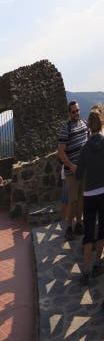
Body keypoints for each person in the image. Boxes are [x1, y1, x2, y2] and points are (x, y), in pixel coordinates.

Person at [75, 110, 104, 284]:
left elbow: (78, 175)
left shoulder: (85, 148)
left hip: (89, 195)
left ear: (89, 127)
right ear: (101, 124)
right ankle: (97, 264)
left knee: (88, 233)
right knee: (102, 231)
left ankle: (85, 271)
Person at [58, 101, 89, 241]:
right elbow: (60, 152)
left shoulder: (84, 123)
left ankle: (79, 223)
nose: (76, 113)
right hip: (72, 172)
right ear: (69, 113)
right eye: (73, 111)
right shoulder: (66, 128)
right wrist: (71, 166)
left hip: (83, 170)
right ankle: (69, 228)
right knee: (72, 201)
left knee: (81, 198)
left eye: (78, 110)